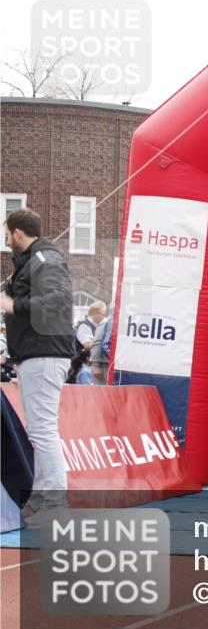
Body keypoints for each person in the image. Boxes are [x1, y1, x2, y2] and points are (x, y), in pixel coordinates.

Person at [1, 209, 75, 515]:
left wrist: (13, 305)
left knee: (43, 430)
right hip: (37, 353)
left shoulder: (44, 260)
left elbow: (59, 298)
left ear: (18, 233)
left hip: (43, 353)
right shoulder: (34, 261)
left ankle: (53, 501)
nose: (6, 240)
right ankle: (43, 498)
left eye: (7, 235)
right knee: (40, 430)